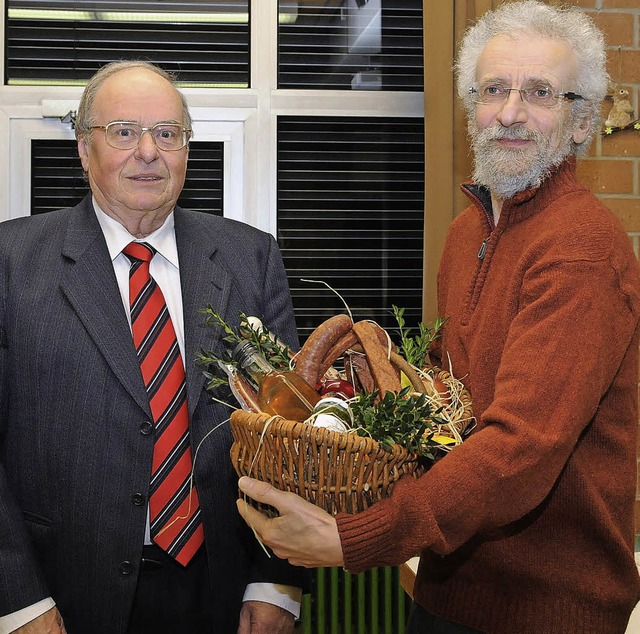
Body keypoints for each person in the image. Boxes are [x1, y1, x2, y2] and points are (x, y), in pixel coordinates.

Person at [236, 2, 640, 633]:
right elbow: (446, 408)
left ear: (582, 119)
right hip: (451, 591)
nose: (510, 112)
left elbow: (520, 448)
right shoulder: (467, 232)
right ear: (470, 104)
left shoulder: (579, 247)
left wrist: (359, 536)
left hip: (543, 614)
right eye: (494, 89)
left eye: (539, 93)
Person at [0, 61, 306, 634]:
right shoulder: (12, 264)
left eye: (167, 133)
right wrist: (18, 601)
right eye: (123, 131)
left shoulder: (249, 259)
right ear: (83, 148)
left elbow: (287, 435)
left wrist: (278, 583)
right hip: (61, 594)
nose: (148, 151)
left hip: (219, 592)